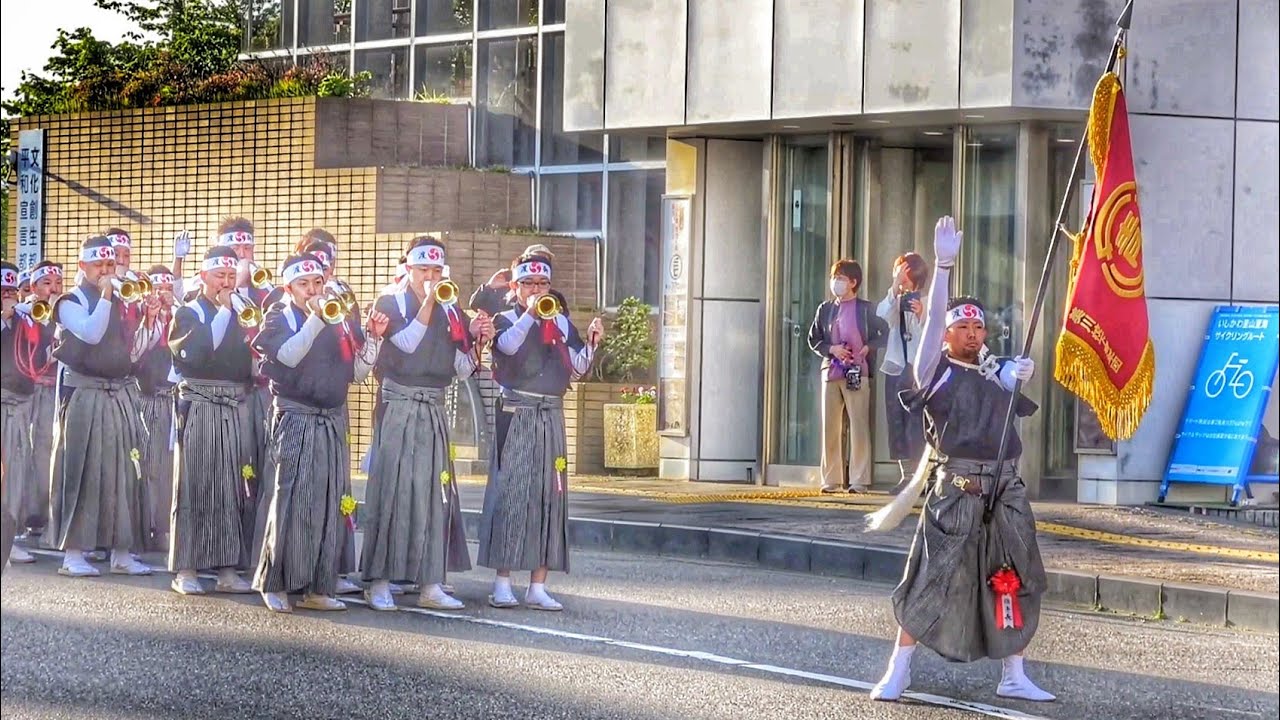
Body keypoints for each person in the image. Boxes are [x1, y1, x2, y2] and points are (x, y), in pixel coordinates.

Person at [867, 216, 1052, 703]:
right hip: (958, 488)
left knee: (1014, 576)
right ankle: (898, 669)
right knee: (933, 576)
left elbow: (1008, 385)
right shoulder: (934, 371)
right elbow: (930, 327)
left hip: (1005, 488)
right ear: (948, 334)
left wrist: (1018, 373)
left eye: (978, 326)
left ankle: (1014, 673)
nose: (971, 333)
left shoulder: (999, 372)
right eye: (962, 326)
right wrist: (943, 266)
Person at [360, 238, 492, 611]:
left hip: (433, 404)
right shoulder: (391, 302)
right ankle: (379, 581)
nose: (430, 277)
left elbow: (461, 369)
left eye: (436, 270)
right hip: (399, 402)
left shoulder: (452, 309)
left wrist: (478, 342)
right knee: (391, 491)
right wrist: (431, 303)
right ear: (409, 269)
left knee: (435, 494)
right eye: (423, 270)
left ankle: (430, 582)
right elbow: (405, 343)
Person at [476, 253, 604, 611]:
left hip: (551, 413)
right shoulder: (505, 318)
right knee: (511, 493)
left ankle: (538, 585)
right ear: (514, 286)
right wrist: (531, 314)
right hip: (517, 410)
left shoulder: (560, 321)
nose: (537, 290)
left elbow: (576, 368)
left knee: (550, 495)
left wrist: (591, 344)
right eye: (528, 283)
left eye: (543, 284)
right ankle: (502, 582)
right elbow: (507, 347)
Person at [252, 253, 374, 613]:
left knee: (326, 503)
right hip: (295, 415)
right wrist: (317, 318)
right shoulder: (279, 316)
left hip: (330, 418)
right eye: (303, 284)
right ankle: (274, 582)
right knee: (289, 499)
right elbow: (288, 356)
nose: (312, 290)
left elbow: (357, 373)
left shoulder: (338, 319)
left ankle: (318, 586)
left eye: (317, 283)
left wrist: (375, 340)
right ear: (288, 287)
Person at [46, 236, 152, 578]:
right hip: (84, 392)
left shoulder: (120, 299)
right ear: (83, 266)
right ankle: (73, 553)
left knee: (123, 472)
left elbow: (132, 351)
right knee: (82, 470)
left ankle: (121, 552)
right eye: (98, 265)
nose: (105, 271)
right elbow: (90, 333)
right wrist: (107, 295)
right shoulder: (69, 301)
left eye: (110, 264)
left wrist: (148, 319)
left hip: (117, 390)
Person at [167, 247, 258, 595]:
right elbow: (200, 351)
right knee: (195, 483)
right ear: (204, 276)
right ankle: (186, 568)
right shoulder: (188, 312)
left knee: (230, 487)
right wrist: (223, 310)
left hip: (232, 403)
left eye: (232, 276)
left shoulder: (239, 310)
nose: (226, 283)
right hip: (200, 402)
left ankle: (226, 568)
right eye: (220, 276)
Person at [807, 260, 888, 493]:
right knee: (830, 427)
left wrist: (868, 347)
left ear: (853, 282)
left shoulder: (866, 309)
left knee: (859, 425)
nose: (836, 282)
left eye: (841, 278)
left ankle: (859, 480)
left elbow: (885, 332)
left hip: (857, 372)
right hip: (831, 372)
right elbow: (814, 339)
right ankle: (831, 479)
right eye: (834, 277)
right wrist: (831, 349)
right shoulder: (825, 309)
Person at [877, 252, 930, 492]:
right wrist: (894, 288)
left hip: (919, 369)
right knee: (896, 420)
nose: (900, 277)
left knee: (918, 422)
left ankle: (922, 475)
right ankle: (906, 475)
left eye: (904, 273)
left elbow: (932, 335)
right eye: (898, 272)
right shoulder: (894, 300)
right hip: (896, 366)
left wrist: (920, 315)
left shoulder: (928, 302)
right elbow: (882, 316)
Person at [135, 264, 179, 551]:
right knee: (148, 465)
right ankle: (145, 524)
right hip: (148, 398)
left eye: (168, 288)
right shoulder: (143, 318)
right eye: (158, 288)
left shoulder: (180, 318)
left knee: (168, 467)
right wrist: (152, 317)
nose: (163, 294)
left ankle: (163, 528)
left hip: (172, 399)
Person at [20, 261, 63, 538]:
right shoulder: (24, 313)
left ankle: (42, 514)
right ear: (34, 287)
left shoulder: (64, 312)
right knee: (23, 449)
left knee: (46, 451)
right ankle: (23, 513)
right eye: (47, 283)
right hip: (27, 391)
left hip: (51, 390)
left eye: (57, 283)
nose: (53, 289)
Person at [1, 262, 36, 565]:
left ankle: (8, 539)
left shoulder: (23, 320)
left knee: (14, 475)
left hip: (18, 404)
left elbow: (36, 351)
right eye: (3, 292)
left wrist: (27, 319)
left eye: (11, 291)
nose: (8, 297)